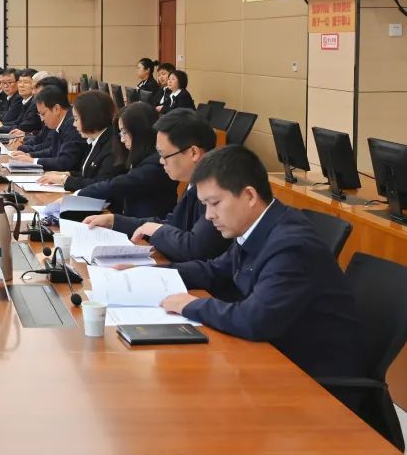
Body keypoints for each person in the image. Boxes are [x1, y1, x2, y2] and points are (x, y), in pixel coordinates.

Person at [161, 145, 364, 380]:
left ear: (249, 196)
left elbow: (254, 319)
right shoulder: (259, 227)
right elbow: (214, 270)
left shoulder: (291, 246)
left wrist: (191, 305)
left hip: (313, 379)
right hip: (275, 356)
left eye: (214, 203)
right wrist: (150, 273)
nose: (208, 215)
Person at [84, 108, 229, 263]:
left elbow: (195, 248)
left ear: (194, 152)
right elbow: (173, 224)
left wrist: (157, 230)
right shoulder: (195, 183)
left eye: (164, 155)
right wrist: (114, 220)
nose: (161, 161)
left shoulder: (219, 190)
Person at [76, 102, 178, 221]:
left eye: (124, 132)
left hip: (148, 229)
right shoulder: (141, 156)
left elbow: (116, 185)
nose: (122, 139)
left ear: (139, 131)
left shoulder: (156, 163)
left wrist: (78, 195)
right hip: (133, 223)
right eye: (120, 133)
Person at [37, 90, 121, 191]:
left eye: (76, 119)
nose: (74, 124)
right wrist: (65, 174)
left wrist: (64, 180)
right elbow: (85, 173)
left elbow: (99, 184)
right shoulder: (94, 140)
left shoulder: (112, 146)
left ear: (90, 118)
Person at [7, 86, 81, 172]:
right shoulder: (61, 122)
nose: (41, 119)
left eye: (43, 114)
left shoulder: (72, 125)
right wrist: (29, 155)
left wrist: (33, 161)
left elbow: (65, 162)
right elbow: (52, 151)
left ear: (56, 109)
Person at [0, 68, 38, 133]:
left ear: (35, 85)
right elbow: (18, 122)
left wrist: (1, 127)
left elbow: (25, 127)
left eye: (26, 82)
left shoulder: (35, 103)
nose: (21, 85)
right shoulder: (26, 101)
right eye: (20, 82)